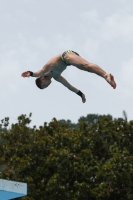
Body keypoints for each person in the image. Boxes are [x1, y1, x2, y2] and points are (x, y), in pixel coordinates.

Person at [21, 50, 116, 103]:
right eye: (45, 87)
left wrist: (30, 73)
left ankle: (106, 75)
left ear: (41, 79)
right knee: (85, 68)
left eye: (44, 85)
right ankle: (106, 76)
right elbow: (69, 86)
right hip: (69, 61)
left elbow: (36, 73)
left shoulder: (44, 72)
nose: (47, 86)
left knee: (86, 66)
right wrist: (81, 94)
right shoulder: (57, 77)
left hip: (66, 55)